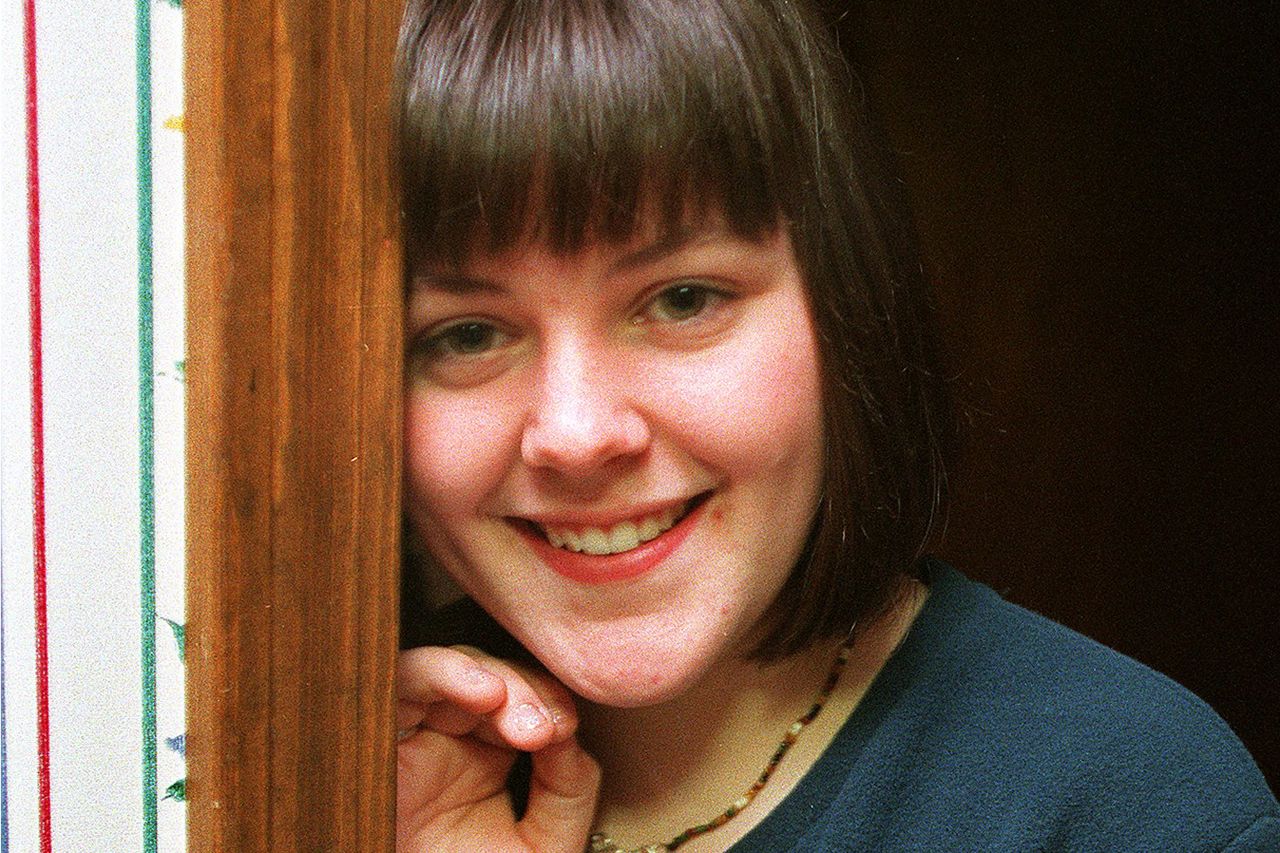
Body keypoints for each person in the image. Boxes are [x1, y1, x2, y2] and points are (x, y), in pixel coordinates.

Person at [392, 1, 1280, 850]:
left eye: (683, 299)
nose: (579, 434)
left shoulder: (1129, 808)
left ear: (845, 306)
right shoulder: (368, 772)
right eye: (467, 334)